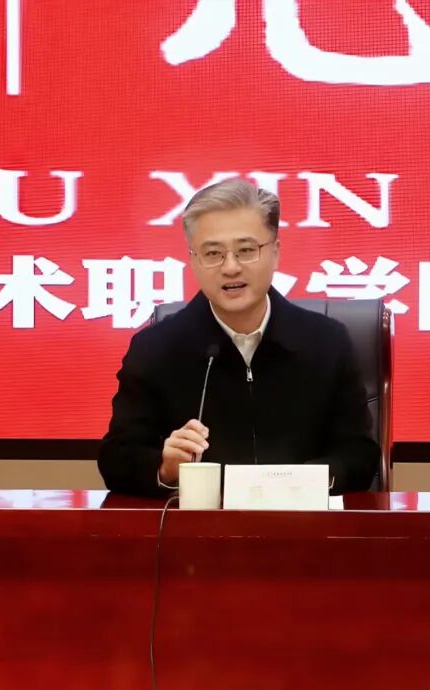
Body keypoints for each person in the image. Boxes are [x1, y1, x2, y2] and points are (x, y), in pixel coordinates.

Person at [97, 178, 380, 496]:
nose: (230, 268)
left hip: (304, 520)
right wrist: (164, 467)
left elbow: (360, 455)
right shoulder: (155, 349)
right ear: (193, 260)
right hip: (200, 525)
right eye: (213, 253)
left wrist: (304, 483)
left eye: (246, 250)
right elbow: (117, 460)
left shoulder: (327, 343)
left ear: (275, 253)